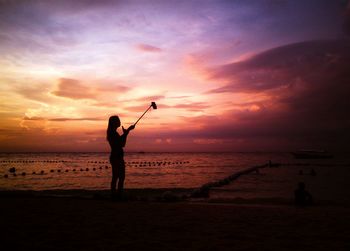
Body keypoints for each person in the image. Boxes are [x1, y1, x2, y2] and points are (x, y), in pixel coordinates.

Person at [106, 115, 135, 200]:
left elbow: (122, 144)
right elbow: (121, 144)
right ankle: (117, 196)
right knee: (120, 177)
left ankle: (115, 195)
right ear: (114, 123)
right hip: (116, 157)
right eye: (118, 120)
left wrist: (126, 133)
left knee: (116, 177)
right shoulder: (112, 133)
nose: (119, 121)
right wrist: (127, 132)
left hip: (116, 157)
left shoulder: (112, 132)